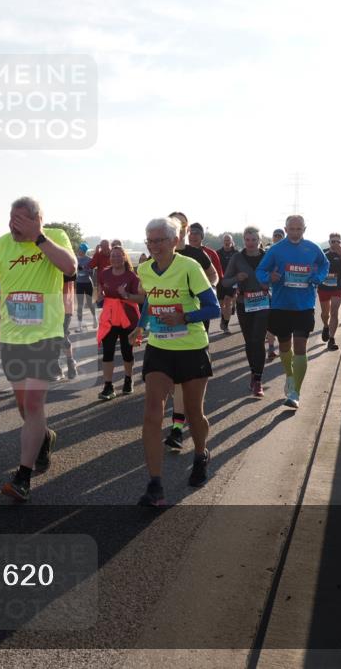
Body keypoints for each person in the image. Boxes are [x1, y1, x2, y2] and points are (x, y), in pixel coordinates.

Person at [0, 197, 76, 503]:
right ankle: (45, 436)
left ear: (37, 220)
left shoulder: (55, 237)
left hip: (46, 336)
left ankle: (23, 478)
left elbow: (70, 267)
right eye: (10, 218)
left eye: (19, 220)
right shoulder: (2, 244)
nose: (12, 225)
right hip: (12, 336)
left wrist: (38, 238)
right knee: (24, 406)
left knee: (33, 403)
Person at [134, 216, 220, 505]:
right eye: (150, 241)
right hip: (159, 347)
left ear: (174, 241)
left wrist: (185, 317)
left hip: (191, 347)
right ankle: (155, 485)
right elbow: (151, 299)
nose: (154, 246)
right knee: (152, 413)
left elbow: (213, 308)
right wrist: (141, 325)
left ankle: (200, 454)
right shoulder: (144, 268)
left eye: (160, 240)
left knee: (194, 413)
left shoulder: (189, 267)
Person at [255, 216, 328, 409]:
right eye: (292, 229)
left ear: (305, 229)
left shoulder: (313, 248)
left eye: (299, 229)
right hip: (281, 305)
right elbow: (260, 270)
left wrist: (318, 277)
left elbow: (324, 265)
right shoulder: (276, 249)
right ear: (286, 229)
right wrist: (269, 277)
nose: (295, 233)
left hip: (305, 305)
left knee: (301, 346)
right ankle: (289, 375)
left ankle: (295, 393)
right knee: (285, 347)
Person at [164, 212, 218, 449]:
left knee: (187, 379)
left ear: (186, 229)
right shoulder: (161, 254)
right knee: (175, 378)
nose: (178, 227)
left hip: (194, 320)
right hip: (167, 321)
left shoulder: (197, 254)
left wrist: (205, 290)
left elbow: (213, 276)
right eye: (173, 222)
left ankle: (188, 429)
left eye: (182, 224)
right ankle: (177, 427)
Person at [222, 227, 270, 397]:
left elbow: (278, 276)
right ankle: (253, 372)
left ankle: (258, 379)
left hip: (263, 302)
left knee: (258, 339)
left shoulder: (267, 256)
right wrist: (237, 278)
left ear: (260, 240)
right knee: (250, 341)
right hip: (244, 303)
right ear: (243, 240)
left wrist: (269, 281)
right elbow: (225, 281)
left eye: (254, 240)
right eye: (247, 240)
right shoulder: (237, 257)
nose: (250, 243)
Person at [96, 245, 142, 399]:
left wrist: (126, 294)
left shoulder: (132, 277)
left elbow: (141, 298)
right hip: (109, 317)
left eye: (118, 255)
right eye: (112, 255)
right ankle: (108, 386)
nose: (115, 258)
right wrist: (100, 296)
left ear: (124, 257)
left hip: (127, 318)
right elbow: (101, 290)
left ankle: (128, 379)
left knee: (126, 351)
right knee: (107, 351)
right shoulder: (104, 273)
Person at [318, 233, 341, 352]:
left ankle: (332, 339)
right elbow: (315, 267)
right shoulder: (323, 253)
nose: (335, 244)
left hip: (337, 287)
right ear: (329, 242)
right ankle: (326, 326)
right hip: (324, 287)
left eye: (338, 241)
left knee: (334, 312)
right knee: (325, 314)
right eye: (333, 241)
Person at [265, 227, 285, 362]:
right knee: (271, 321)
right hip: (270, 291)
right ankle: (271, 349)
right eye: (275, 235)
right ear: (272, 238)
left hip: (286, 291)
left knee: (285, 321)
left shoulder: (289, 251)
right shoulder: (267, 251)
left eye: (279, 235)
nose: (277, 237)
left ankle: (286, 348)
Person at [216, 234, 239, 333]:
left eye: (228, 240)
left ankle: (225, 325)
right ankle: (223, 318)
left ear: (232, 241)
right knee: (221, 303)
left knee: (228, 301)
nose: (227, 242)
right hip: (220, 281)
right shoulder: (217, 253)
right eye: (225, 240)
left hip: (232, 281)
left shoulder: (236, 253)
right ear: (223, 242)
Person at [74, 242, 97, 331]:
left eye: (81, 250)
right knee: (79, 305)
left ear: (84, 251)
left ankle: (94, 318)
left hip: (88, 283)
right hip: (79, 283)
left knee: (89, 303)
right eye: (79, 249)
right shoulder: (75, 259)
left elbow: (92, 273)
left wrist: (84, 268)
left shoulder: (89, 260)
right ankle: (79, 326)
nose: (79, 251)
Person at [60, 272, 78, 379]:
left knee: (62, 335)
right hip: (47, 304)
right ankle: (55, 366)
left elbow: (71, 274)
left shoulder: (66, 263)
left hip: (64, 305)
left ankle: (70, 362)